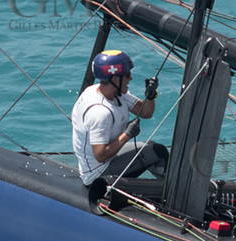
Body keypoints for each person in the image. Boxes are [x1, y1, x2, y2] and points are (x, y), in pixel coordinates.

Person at [71, 50, 166, 208]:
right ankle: (170, 199)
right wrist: (127, 134)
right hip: (98, 174)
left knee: (153, 148)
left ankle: (162, 191)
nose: (130, 78)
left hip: (108, 159)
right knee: (158, 152)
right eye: (127, 75)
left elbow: (145, 112)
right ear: (115, 78)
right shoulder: (100, 112)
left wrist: (150, 96)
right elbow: (100, 155)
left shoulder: (112, 92)